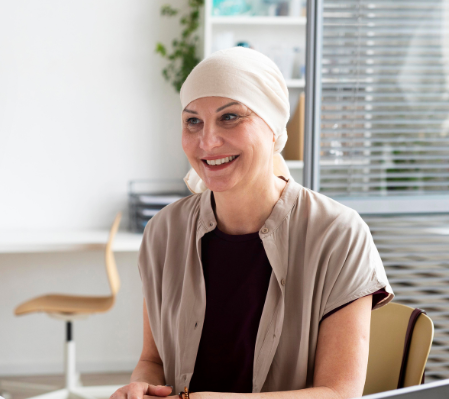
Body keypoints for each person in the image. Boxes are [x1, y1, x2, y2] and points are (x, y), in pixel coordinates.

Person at [111, 47, 393, 399]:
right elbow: (152, 360)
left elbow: (339, 392)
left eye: (230, 117)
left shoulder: (338, 235)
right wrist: (141, 387)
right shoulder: (163, 233)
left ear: (273, 129)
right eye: (193, 121)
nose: (207, 141)